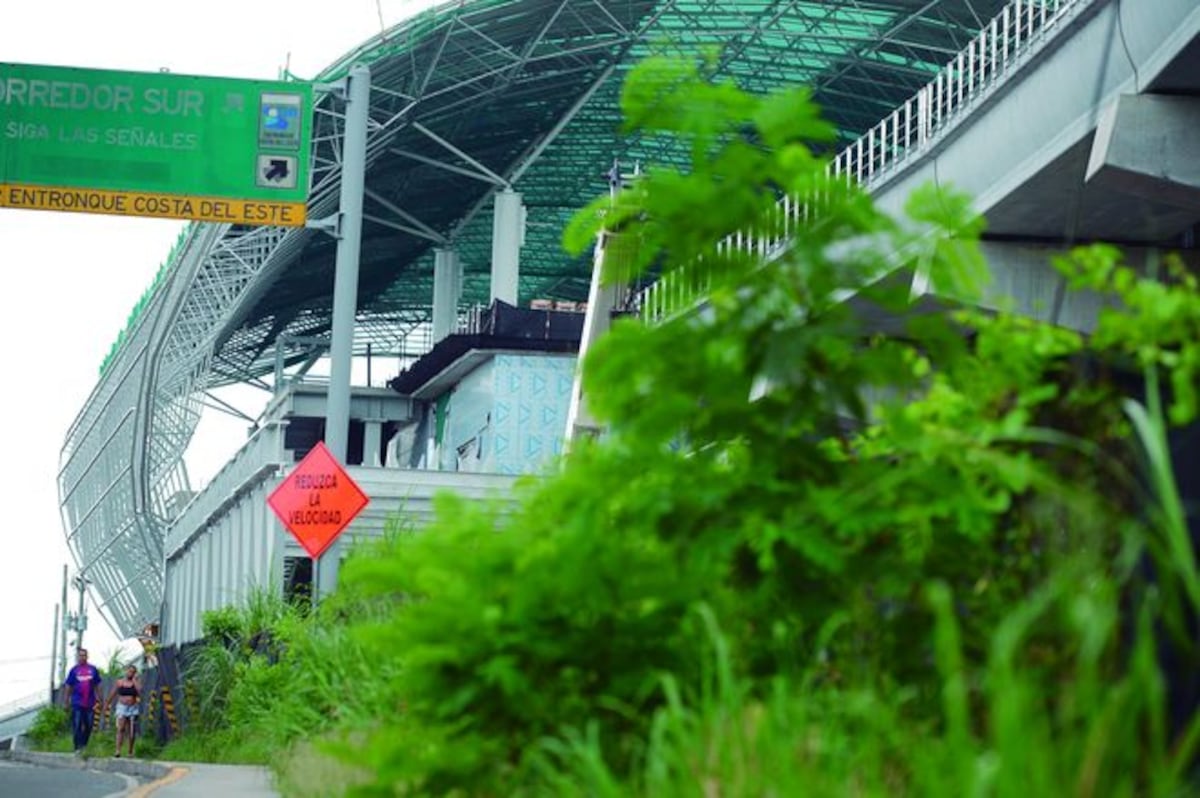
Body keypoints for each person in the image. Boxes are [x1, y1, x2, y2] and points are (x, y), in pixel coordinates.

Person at [61, 648, 102, 755]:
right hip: (77, 702)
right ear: (77, 657)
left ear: (87, 656)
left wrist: (100, 699)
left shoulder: (93, 669)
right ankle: (77, 747)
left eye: (84, 655)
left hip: (90, 702)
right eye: (80, 655)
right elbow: (68, 686)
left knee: (89, 724)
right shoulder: (74, 670)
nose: (82, 657)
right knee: (77, 724)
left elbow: (97, 685)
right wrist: (66, 701)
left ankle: (84, 744)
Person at [107, 663, 141, 758]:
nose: (131, 673)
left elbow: (140, 691)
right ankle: (117, 750)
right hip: (122, 706)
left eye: (133, 672)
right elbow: (113, 693)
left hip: (132, 707)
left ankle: (130, 751)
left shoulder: (135, 683)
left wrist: (135, 681)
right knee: (121, 728)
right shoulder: (120, 682)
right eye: (129, 671)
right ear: (126, 671)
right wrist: (107, 704)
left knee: (131, 730)